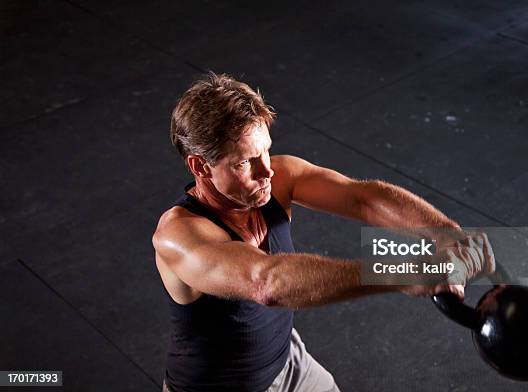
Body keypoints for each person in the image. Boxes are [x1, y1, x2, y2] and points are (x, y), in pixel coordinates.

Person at [152, 72, 495, 392]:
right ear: (200, 166)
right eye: (244, 163)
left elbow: (363, 198)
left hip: (288, 364)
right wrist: (398, 272)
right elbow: (266, 282)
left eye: (266, 150)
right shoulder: (178, 236)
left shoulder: (276, 177)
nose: (267, 170)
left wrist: (449, 236)